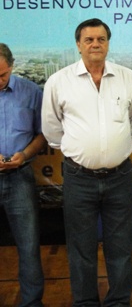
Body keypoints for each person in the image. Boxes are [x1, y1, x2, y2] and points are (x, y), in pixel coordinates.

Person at [41, 18, 132, 306]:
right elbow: (52, 130)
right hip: (79, 178)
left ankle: (118, 302)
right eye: (89, 40)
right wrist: (82, 151)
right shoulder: (58, 82)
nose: (95, 44)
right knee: (81, 249)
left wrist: (113, 146)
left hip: (119, 177)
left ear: (108, 43)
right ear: (78, 45)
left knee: (121, 247)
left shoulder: (127, 78)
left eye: (101, 39)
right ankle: (85, 302)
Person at [0, 43, 46, 307]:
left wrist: (24, 155)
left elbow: (43, 134)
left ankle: (31, 303)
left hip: (20, 176)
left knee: (28, 246)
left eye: (2, 75)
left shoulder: (31, 91)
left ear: (12, 65)